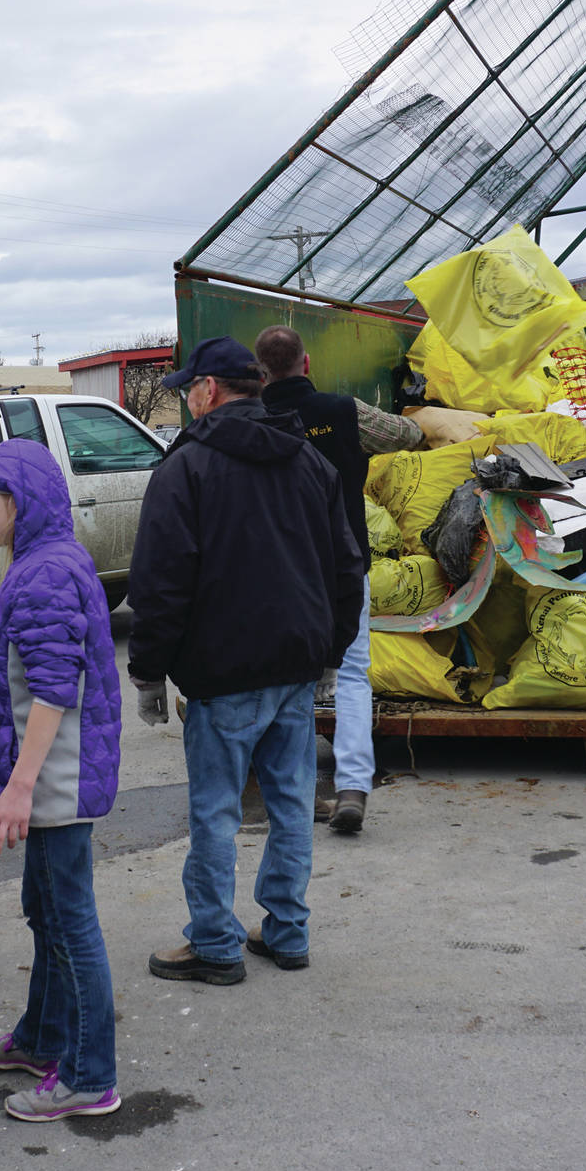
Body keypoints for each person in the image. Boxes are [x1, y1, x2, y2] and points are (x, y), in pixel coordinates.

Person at [127, 336, 365, 985]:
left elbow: (161, 583)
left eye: (187, 391)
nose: (185, 402)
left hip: (222, 673)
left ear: (208, 390)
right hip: (293, 667)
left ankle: (215, 941)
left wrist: (149, 671)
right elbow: (348, 568)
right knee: (290, 803)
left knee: (215, 812)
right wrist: (331, 652)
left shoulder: (185, 469)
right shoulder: (310, 462)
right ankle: (286, 929)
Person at [0, 439, 124, 1121]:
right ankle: (42, 1038)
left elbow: (56, 691)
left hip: (56, 780)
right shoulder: (40, 561)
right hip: (52, 777)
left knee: (70, 922)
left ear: (16, 503)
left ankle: (90, 1074)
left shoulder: (46, 573)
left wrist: (21, 785)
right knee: (46, 909)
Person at [254, 325, 424, 836]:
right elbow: (407, 435)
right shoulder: (345, 412)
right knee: (351, 675)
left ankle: (299, 791)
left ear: (260, 373)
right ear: (306, 365)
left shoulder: (252, 420)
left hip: (282, 571)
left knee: (290, 682)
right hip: (344, 563)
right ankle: (352, 788)